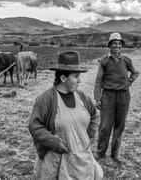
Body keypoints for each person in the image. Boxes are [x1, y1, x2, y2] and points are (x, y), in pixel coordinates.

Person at [29, 51, 103, 180]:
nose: (79, 80)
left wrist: (86, 136)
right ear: (63, 78)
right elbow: (34, 126)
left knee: (96, 175)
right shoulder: (46, 99)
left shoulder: (82, 97)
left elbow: (95, 115)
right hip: (56, 159)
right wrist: (54, 142)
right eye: (76, 76)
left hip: (81, 156)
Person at [93, 32, 139, 163]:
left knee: (120, 126)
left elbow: (135, 73)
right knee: (105, 126)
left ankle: (115, 153)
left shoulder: (126, 60)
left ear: (121, 45)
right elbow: (98, 80)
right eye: (114, 44)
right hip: (108, 95)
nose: (117, 46)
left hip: (124, 96)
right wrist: (97, 98)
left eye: (119, 44)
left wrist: (129, 82)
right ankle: (100, 152)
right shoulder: (104, 60)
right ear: (109, 45)